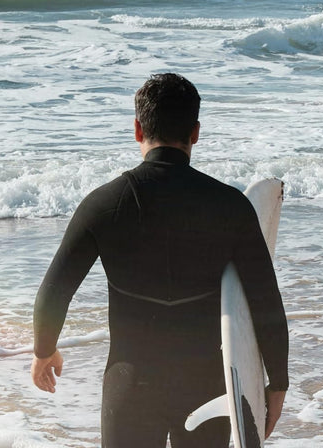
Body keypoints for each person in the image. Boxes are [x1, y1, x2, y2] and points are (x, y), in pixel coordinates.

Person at [31, 72, 289, 447]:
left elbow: (54, 292)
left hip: (131, 383)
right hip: (205, 384)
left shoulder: (104, 204)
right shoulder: (230, 207)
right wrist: (276, 383)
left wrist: (44, 350)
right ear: (195, 132)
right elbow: (266, 301)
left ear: (138, 129)